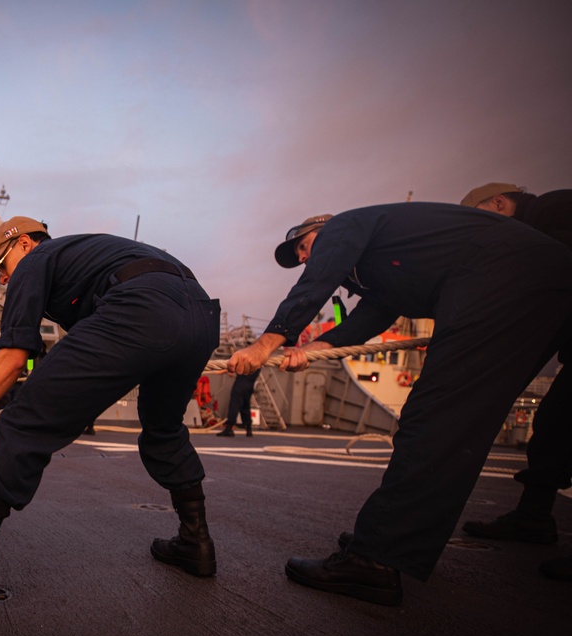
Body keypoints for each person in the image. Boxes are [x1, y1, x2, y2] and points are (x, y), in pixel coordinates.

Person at [228, 204, 572, 605]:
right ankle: (531, 515)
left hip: (502, 278)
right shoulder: (384, 267)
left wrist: (269, 341)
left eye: (303, 247)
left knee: (438, 416)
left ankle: (376, 558)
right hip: (549, 280)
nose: (304, 257)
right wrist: (322, 344)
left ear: (321, 230)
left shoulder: (344, 225)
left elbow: (316, 281)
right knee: (560, 415)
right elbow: (377, 312)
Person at [0, 216, 221, 606]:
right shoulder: (83, 258)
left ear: (23, 244)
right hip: (202, 315)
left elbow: (11, 359)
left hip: (140, 307)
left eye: (2, 268)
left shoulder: (38, 259)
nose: (4, 280)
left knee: (20, 425)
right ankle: (196, 541)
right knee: (164, 429)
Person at [459, 183, 572, 582]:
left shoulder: (552, 212)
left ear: (501, 203)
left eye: (484, 222)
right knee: (554, 426)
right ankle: (534, 517)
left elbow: (550, 297)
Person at [217, 369, 260, 437]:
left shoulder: (247, 359)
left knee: (234, 405)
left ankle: (229, 428)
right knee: (245, 406)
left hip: (240, 384)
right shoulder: (258, 363)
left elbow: (237, 367)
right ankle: (249, 429)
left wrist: (227, 370)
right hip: (250, 386)